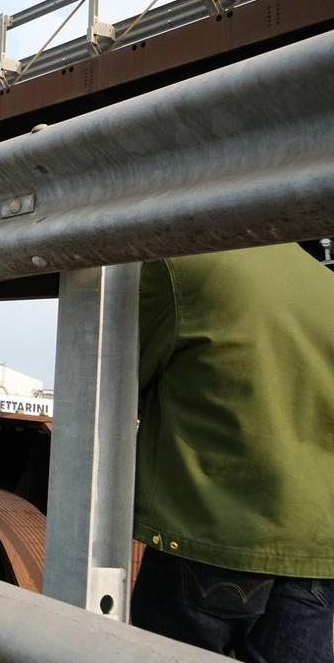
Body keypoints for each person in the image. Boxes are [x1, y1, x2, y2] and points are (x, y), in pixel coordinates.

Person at [131, 243, 334, 662]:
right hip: (314, 559)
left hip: (202, 542)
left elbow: (109, 379)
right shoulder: (325, 286)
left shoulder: (182, 265)